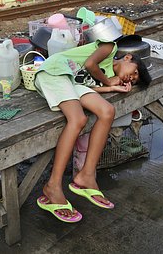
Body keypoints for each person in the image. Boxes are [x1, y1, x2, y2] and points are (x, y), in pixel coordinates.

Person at [34, 39, 151, 223]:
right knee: (78, 119)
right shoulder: (110, 47)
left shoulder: (109, 74)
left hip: (72, 81)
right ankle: (53, 186)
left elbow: (87, 84)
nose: (131, 78)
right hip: (56, 70)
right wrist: (108, 80)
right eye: (134, 72)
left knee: (107, 111)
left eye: (134, 80)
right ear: (128, 57)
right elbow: (89, 64)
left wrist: (111, 87)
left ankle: (86, 175)